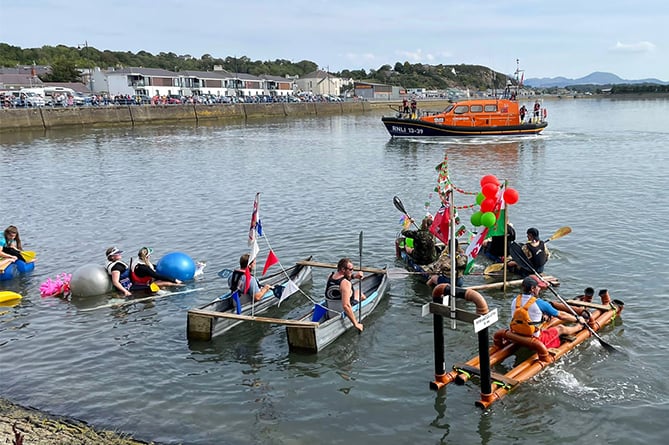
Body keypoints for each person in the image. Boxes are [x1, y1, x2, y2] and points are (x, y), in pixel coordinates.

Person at [510, 276, 586, 349]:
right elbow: (561, 315)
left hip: (517, 333)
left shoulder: (515, 300)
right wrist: (577, 319)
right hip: (536, 339)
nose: (539, 289)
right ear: (533, 288)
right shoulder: (539, 303)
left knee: (544, 319)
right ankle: (579, 327)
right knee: (560, 328)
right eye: (538, 287)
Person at [325, 258, 366, 332]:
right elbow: (346, 306)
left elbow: (341, 279)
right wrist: (356, 324)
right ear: (343, 269)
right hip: (342, 311)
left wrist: (354, 276)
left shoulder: (330, 276)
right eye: (350, 270)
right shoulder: (345, 283)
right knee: (361, 294)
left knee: (357, 292)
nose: (352, 271)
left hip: (330, 311)